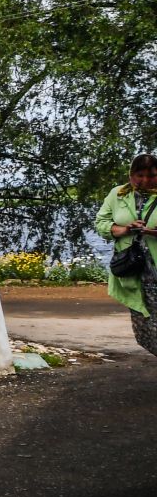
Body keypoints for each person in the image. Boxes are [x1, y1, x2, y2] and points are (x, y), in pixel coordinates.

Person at [94, 152, 157, 359]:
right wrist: (125, 229)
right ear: (131, 175)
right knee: (145, 331)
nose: (146, 180)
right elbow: (101, 223)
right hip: (135, 273)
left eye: (152, 175)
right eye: (140, 175)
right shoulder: (118, 194)